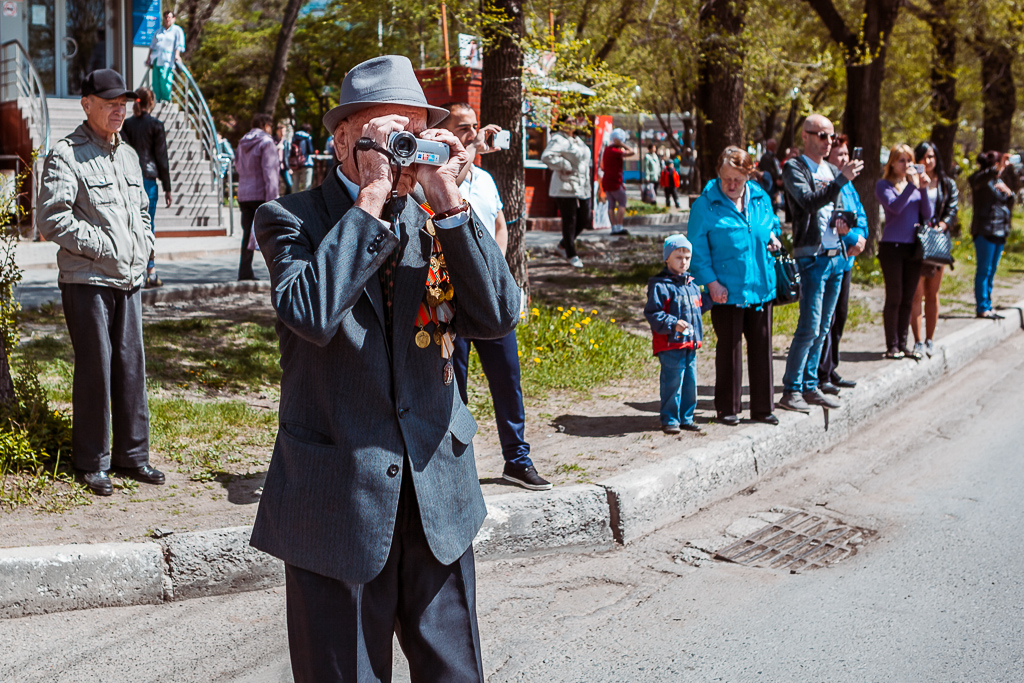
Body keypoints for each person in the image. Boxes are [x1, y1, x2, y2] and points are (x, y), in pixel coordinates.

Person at [249, 55, 519, 681]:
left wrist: (449, 198)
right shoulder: (292, 218)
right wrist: (370, 197)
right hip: (336, 506)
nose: (399, 150)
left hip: (437, 501)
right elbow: (311, 311)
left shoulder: (438, 219)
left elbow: (499, 315)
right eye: (381, 133)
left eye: (411, 131)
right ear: (341, 139)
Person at [36, 69, 164, 496]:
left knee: (131, 367)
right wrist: (105, 246)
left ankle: (134, 456)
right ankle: (93, 461)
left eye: (123, 103)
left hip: (128, 278)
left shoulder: (127, 153)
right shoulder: (66, 154)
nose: (118, 109)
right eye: (109, 102)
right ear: (86, 103)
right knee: (96, 370)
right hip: (87, 278)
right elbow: (52, 217)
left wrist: (143, 244)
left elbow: (142, 210)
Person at [441, 102, 552, 491]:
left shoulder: (485, 180)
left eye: (475, 126)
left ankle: (517, 460)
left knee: (508, 379)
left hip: (490, 296)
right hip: (452, 298)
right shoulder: (438, 178)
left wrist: (495, 271)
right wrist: (468, 152)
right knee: (455, 385)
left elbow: (501, 226)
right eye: (463, 127)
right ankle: (457, 464)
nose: (473, 133)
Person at [689, 146, 782, 426]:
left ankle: (763, 408)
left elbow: (772, 224)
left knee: (762, 347)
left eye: (737, 180)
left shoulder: (760, 197)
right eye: (726, 178)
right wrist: (711, 283)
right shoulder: (705, 204)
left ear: (748, 175)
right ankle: (728, 408)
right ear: (718, 174)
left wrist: (773, 238)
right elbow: (697, 249)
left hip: (760, 285)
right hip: (725, 290)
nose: (731, 185)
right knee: (729, 349)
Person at [780, 114, 863, 412]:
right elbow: (807, 202)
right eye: (821, 136)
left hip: (836, 256)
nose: (828, 142)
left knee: (825, 326)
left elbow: (838, 208)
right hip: (812, 256)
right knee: (809, 326)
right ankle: (791, 389)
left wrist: (847, 227)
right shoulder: (795, 167)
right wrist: (842, 179)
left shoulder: (829, 168)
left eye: (831, 136)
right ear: (805, 136)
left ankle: (810, 385)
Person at [818, 134, 868, 392]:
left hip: (847, 260)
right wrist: (850, 236)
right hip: (832, 260)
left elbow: (860, 216)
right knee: (826, 319)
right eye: (840, 155)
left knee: (840, 317)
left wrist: (860, 239)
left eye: (847, 155)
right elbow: (834, 220)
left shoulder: (850, 186)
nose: (845, 159)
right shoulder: (829, 183)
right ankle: (821, 373)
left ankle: (831, 367)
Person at [875, 143, 933, 359]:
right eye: (902, 160)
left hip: (913, 246)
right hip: (892, 246)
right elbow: (895, 208)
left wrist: (923, 189)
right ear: (892, 162)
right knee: (895, 296)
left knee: (909, 297)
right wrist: (911, 185)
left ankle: (903, 343)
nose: (907, 165)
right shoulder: (884, 185)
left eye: (910, 160)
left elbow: (926, 213)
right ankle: (892, 345)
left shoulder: (916, 186)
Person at [644, 234, 706, 434]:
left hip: (690, 343)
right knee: (673, 382)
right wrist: (673, 323)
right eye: (678, 257)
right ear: (667, 258)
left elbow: (698, 309)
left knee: (690, 382)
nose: (684, 262)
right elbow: (653, 313)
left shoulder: (692, 285)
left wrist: (714, 298)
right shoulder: (660, 285)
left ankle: (686, 417)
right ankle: (670, 418)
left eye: (687, 257)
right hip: (671, 345)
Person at [910, 141, 959, 355]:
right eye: (923, 157)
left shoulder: (946, 183)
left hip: (937, 241)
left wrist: (943, 224)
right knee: (916, 293)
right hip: (916, 241)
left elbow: (952, 207)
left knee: (933, 293)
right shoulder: (910, 180)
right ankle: (918, 340)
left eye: (931, 157)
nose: (927, 161)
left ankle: (930, 339)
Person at [121, 86, 172, 289]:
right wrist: (167, 186)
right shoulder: (156, 125)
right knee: (148, 226)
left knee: (129, 225)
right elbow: (161, 157)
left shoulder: (127, 125)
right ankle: (150, 272)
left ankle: (131, 270)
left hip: (130, 179)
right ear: (151, 103)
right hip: (149, 181)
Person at [541, 115, 593, 268]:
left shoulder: (577, 141)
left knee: (585, 218)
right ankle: (571, 253)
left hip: (581, 186)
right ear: (561, 124)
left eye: (573, 122)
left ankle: (563, 245)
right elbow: (546, 156)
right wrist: (564, 165)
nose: (572, 124)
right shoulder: (558, 139)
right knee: (570, 221)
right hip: (565, 186)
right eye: (568, 122)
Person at [969, 151, 1015, 319]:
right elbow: (978, 180)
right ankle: (982, 307)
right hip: (985, 230)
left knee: (992, 270)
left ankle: (988, 304)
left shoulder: (998, 181)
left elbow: (1007, 203)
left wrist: (1009, 193)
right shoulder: (980, 180)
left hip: (1000, 231)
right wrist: (997, 168)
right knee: (984, 270)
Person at [235, 113, 279, 281]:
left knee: (247, 233)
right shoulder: (266, 143)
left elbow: (237, 165)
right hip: (261, 193)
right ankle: (278, 272)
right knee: (271, 232)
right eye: (270, 125)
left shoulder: (242, 142)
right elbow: (270, 173)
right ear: (265, 125)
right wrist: (273, 198)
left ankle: (244, 271)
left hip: (244, 194)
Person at [146, 11, 185, 103]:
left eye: (169, 17)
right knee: (156, 81)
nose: (168, 19)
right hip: (156, 58)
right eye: (166, 17)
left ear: (174, 19)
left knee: (165, 79)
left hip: (167, 59)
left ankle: (166, 99)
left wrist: (177, 55)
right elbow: (152, 45)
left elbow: (179, 44)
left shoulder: (177, 30)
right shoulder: (159, 31)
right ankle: (157, 99)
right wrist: (149, 58)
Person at [600, 128, 633, 236]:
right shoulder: (616, 151)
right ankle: (619, 226)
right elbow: (633, 152)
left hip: (606, 182)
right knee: (622, 202)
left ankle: (613, 227)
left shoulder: (607, 150)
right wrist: (622, 144)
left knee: (611, 204)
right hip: (615, 182)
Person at [758, 139, 784, 210]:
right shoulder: (766, 157)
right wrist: (776, 179)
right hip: (769, 185)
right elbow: (768, 170)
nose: (776, 147)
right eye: (774, 145)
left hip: (774, 185)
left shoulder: (774, 157)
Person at [291, 123, 317, 192]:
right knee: (307, 186)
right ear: (308, 130)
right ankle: (306, 202)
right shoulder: (307, 137)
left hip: (295, 163)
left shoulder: (294, 137)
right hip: (306, 163)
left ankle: (293, 201)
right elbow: (310, 151)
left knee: (295, 185)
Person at [276, 121, 293, 195]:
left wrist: (288, 167)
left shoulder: (286, 142)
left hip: (284, 167)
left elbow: (286, 156)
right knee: (276, 185)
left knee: (289, 184)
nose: (282, 133)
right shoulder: (273, 141)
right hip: (275, 166)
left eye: (284, 131)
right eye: (281, 131)